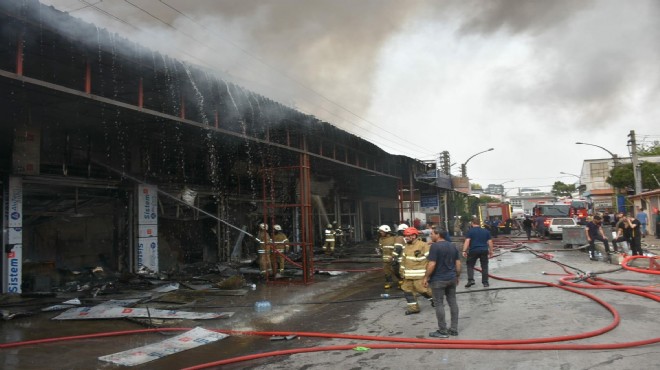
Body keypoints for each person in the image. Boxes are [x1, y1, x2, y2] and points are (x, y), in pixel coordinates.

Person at [423, 227, 461, 338]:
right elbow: (458, 263)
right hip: (451, 279)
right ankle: (454, 329)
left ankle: (442, 330)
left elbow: (432, 264)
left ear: (438, 234)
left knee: (439, 303)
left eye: (432, 234)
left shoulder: (435, 247)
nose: (430, 235)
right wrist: (457, 276)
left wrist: (426, 277)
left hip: (438, 280)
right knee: (452, 302)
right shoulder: (452, 246)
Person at [398, 227, 434, 315]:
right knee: (407, 291)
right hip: (407, 275)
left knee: (422, 290)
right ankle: (413, 308)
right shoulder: (406, 246)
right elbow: (403, 260)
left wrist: (428, 275)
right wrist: (401, 272)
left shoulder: (423, 245)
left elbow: (431, 260)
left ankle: (435, 299)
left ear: (414, 236)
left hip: (419, 275)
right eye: (405, 236)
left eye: (407, 236)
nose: (405, 238)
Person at [462, 217, 494, 288]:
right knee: (484, 266)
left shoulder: (470, 231)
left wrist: (464, 250)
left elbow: (467, 241)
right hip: (484, 250)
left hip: (473, 250)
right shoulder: (486, 231)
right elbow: (490, 242)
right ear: (479, 224)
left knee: (470, 265)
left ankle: (471, 280)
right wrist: (491, 251)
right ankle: (485, 282)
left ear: (472, 223)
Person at [377, 225, 397, 289]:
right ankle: (389, 283)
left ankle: (401, 281)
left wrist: (394, 256)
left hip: (393, 259)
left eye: (382, 231)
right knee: (387, 272)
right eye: (380, 231)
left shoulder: (394, 239)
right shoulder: (381, 239)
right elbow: (380, 248)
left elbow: (397, 248)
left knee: (396, 271)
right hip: (385, 260)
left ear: (386, 231)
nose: (381, 233)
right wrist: (379, 251)